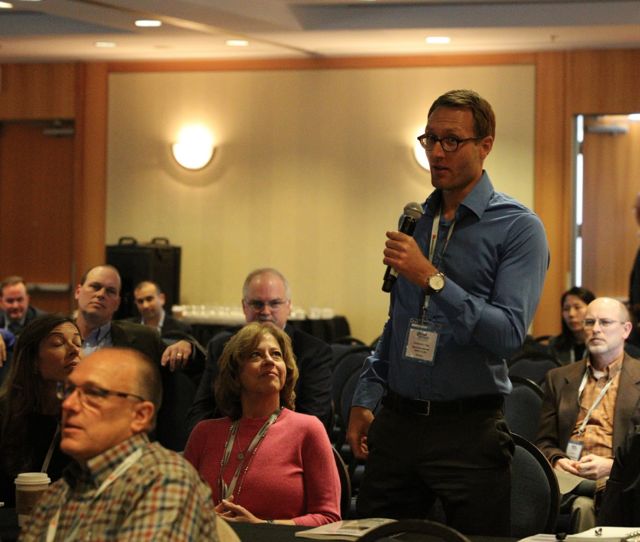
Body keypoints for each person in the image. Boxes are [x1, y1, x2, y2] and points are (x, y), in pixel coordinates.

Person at [346, 89, 549, 536]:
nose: (437, 152)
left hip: (468, 431)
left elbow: (507, 334)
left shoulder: (518, 228)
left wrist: (432, 279)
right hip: (397, 424)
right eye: (430, 139)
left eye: (452, 140)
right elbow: (399, 324)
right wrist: (366, 395)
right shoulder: (416, 220)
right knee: (379, 536)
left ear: (485, 145)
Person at [20, 347, 221, 541]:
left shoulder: (166, 479)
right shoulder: (61, 490)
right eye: (69, 390)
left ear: (140, 415)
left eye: (93, 393)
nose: (68, 404)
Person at [184, 322, 341, 526]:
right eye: (255, 355)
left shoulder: (308, 429)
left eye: (276, 355)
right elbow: (178, 510)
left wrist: (263, 527)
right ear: (235, 374)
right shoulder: (204, 433)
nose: (269, 360)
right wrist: (204, 519)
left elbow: (329, 517)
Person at [536, 297, 640, 532]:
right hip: (568, 475)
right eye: (590, 322)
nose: (595, 329)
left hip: (619, 477)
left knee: (584, 505)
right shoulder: (558, 378)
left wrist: (612, 466)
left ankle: (596, 490)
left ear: (626, 330)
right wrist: (557, 460)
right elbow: (543, 442)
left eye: (605, 322)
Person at [186, 268, 332, 432]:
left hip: (287, 440)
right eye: (257, 304)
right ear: (244, 306)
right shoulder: (222, 346)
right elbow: (201, 410)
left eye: (274, 303)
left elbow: (315, 418)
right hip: (228, 438)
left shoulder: (314, 351)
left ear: (289, 306)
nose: (265, 312)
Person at [74, 264, 200, 450]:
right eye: (95, 286)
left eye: (110, 291)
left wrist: (187, 346)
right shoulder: (54, 337)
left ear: (117, 303)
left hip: (125, 444)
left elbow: (193, 367)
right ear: (78, 291)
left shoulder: (143, 338)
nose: (101, 294)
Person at [0, 314, 81, 507]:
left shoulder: (86, 416)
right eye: (58, 343)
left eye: (78, 342)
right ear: (33, 361)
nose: (74, 350)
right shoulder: (4, 414)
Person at [0, 276, 47, 366]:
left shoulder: (42, 322)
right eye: (10, 301)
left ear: (28, 299)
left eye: (19, 299)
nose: (15, 306)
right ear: (1, 302)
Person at [548, 286, 596, 364]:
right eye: (566, 309)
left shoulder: (603, 343)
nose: (571, 314)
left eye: (577, 307)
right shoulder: (555, 344)